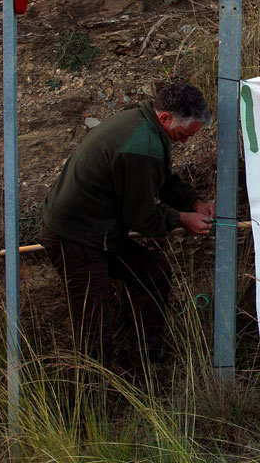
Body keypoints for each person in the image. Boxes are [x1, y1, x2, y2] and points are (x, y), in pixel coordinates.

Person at [42, 82, 215, 366]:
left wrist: (193, 202)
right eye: (183, 135)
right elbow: (142, 218)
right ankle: (92, 389)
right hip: (76, 238)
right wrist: (182, 219)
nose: (184, 142)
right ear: (165, 118)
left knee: (153, 272)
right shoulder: (141, 145)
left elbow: (160, 179)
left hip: (100, 231)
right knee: (94, 326)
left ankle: (146, 361)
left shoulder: (144, 126)